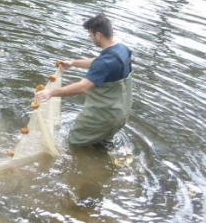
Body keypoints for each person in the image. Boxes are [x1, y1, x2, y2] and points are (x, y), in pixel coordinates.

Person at [34, 13, 133, 146]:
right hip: (120, 115)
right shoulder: (122, 50)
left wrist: (50, 93)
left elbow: (82, 87)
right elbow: (100, 62)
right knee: (101, 144)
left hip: (101, 117)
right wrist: (73, 63)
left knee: (73, 143)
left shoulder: (104, 63)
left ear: (98, 35)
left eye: (90, 35)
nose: (90, 38)